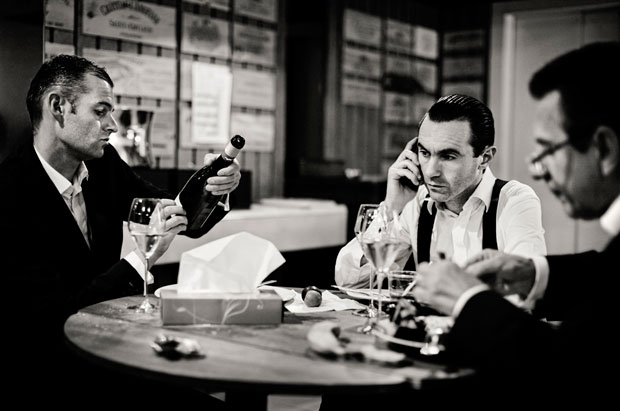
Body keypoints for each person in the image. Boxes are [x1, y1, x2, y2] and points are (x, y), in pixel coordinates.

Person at [0, 55, 240, 405]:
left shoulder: (103, 166)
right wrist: (140, 261)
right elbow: (56, 317)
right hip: (49, 373)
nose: (113, 125)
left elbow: (174, 212)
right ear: (58, 107)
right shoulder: (9, 193)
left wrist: (214, 187)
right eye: (100, 111)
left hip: (113, 353)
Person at [411, 41, 620, 405]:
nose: (539, 172)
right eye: (424, 153)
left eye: (548, 150)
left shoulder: (513, 198)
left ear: (603, 149)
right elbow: (606, 272)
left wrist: (467, 298)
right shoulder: (419, 202)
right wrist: (532, 271)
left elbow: (563, 368)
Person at [335, 94, 547, 293]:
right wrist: (392, 209)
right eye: (425, 153)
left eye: (448, 156)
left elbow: (526, 291)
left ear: (485, 157)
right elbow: (350, 280)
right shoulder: (414, 203)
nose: (430, 171)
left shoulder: (514, 201)